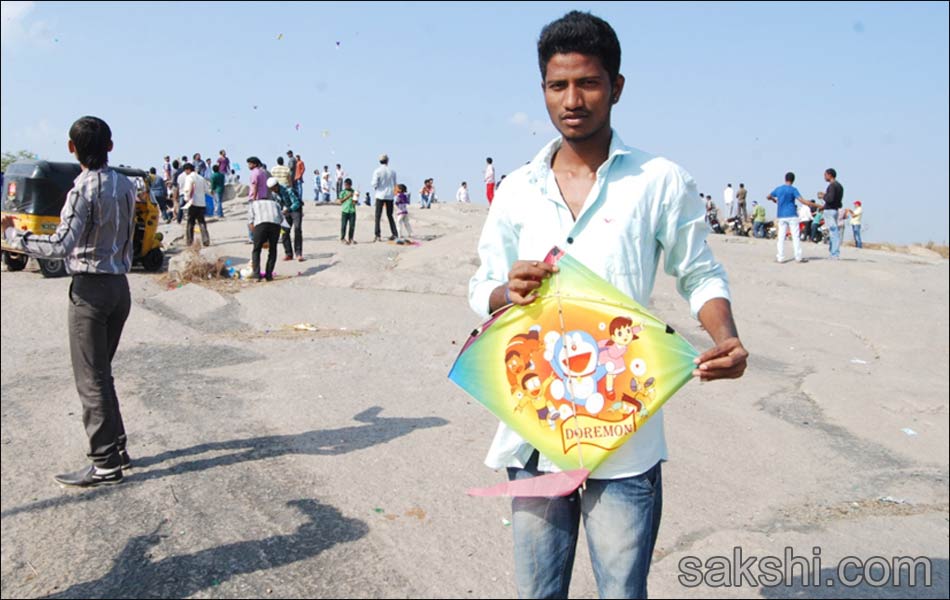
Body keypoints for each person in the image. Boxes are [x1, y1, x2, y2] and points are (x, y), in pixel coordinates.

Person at [468, 13, 747, 598]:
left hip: (625, 438)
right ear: (542, 89)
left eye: (588, 83)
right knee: (537, 592)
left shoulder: (659, 180)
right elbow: (483, 287)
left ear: (616, 87)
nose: (573, 100)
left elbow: (699, 272)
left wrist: (725, 335)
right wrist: (506, 292)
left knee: (622, 590)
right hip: (532, 433)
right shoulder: (518, 188)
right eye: (557, 85)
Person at [1, 116, 138, 487]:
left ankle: (105, 462)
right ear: (110, 146)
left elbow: (61, 246)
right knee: (101, 374)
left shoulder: (82, 189)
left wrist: (16, 238)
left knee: (90, 379)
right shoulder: (126, 185)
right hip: (119, 288)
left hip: (89, 292)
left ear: (71, 148)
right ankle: (117, 447)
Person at [766, 172, 817, 263]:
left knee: (781, 237)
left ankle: (780, 257)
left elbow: (768, 196)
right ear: (793, 180)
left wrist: (774, 200)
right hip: (792, 214)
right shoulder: (793, 190)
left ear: (785, 178)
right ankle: (798, 257)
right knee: (795, 237)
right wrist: (814, 205)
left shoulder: (779, 189)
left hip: (781, 215)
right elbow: (802, 200)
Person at [248, 177, 284, 281]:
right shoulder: (275, 203)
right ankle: (269, 275)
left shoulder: (254, 204)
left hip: (261, 225)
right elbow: (281, 219)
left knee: (256, 250)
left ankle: (256, 275)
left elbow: (250, 222)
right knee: (273, 250)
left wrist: (257, 236)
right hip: (275, 225)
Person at [267, 177, 303, 261]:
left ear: (277, 186)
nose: (273, 190)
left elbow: (297, 202)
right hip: (285, 212)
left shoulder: (288, 190)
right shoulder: (273, 194)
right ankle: (288, 253)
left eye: (273, 188)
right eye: (271, 189)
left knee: (297, 229)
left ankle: (298, 253)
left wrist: (288, 209)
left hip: (295, 210)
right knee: (284, 231)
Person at [817, 168, 844, 259]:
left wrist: (823, 196)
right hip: (835, 210)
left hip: (830, 211)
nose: (824, 177)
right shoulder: (839, 186)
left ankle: (834, 254)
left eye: (825, 175)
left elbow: (830, 199)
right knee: (833, 232)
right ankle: (833, 252)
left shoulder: (832, 186)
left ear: (830, 175)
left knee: (833, 232)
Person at [371, 154, 398, 242]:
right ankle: (395, 233)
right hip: (390, 195)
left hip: (380, 194)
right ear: (387, 161)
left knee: (378, 216)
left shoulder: (377, 171)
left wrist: (377, 187)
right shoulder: (392, 171)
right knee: (390, 215)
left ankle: (377, 235)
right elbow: (395, 184)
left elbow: (374, 184)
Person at [182, 163, 210, 246]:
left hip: (193, 202)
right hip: (201, 203)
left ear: (188, 170)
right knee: (202, 222)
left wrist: (186, 199)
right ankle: (205, 240)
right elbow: (207, 190)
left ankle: (189, 241)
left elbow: (187, 189)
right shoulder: (201, 178)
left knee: (190, 223)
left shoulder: (189, 177)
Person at [247, 156, 271, 243]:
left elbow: (255, 186)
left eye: (250, 164)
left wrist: (253, 199)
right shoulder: (262, 172)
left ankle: (253, 237)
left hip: (256, 198)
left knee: (251, 220)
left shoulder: (255, 173)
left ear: (255, 164)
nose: (248, 165)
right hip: (263, 197)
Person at [339, 177, 357, 245]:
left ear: (350, 185)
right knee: (343, 225)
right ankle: (342, 238)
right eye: (345, 185)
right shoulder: (343, 192)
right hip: (345, 211)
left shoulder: (353, 191)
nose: (346, 186)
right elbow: (340, 201)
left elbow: (355, 202)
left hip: (352, 211)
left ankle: (351, 238)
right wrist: (348, 196)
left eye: (347, 185)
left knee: (352, 226)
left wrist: (355, 198)